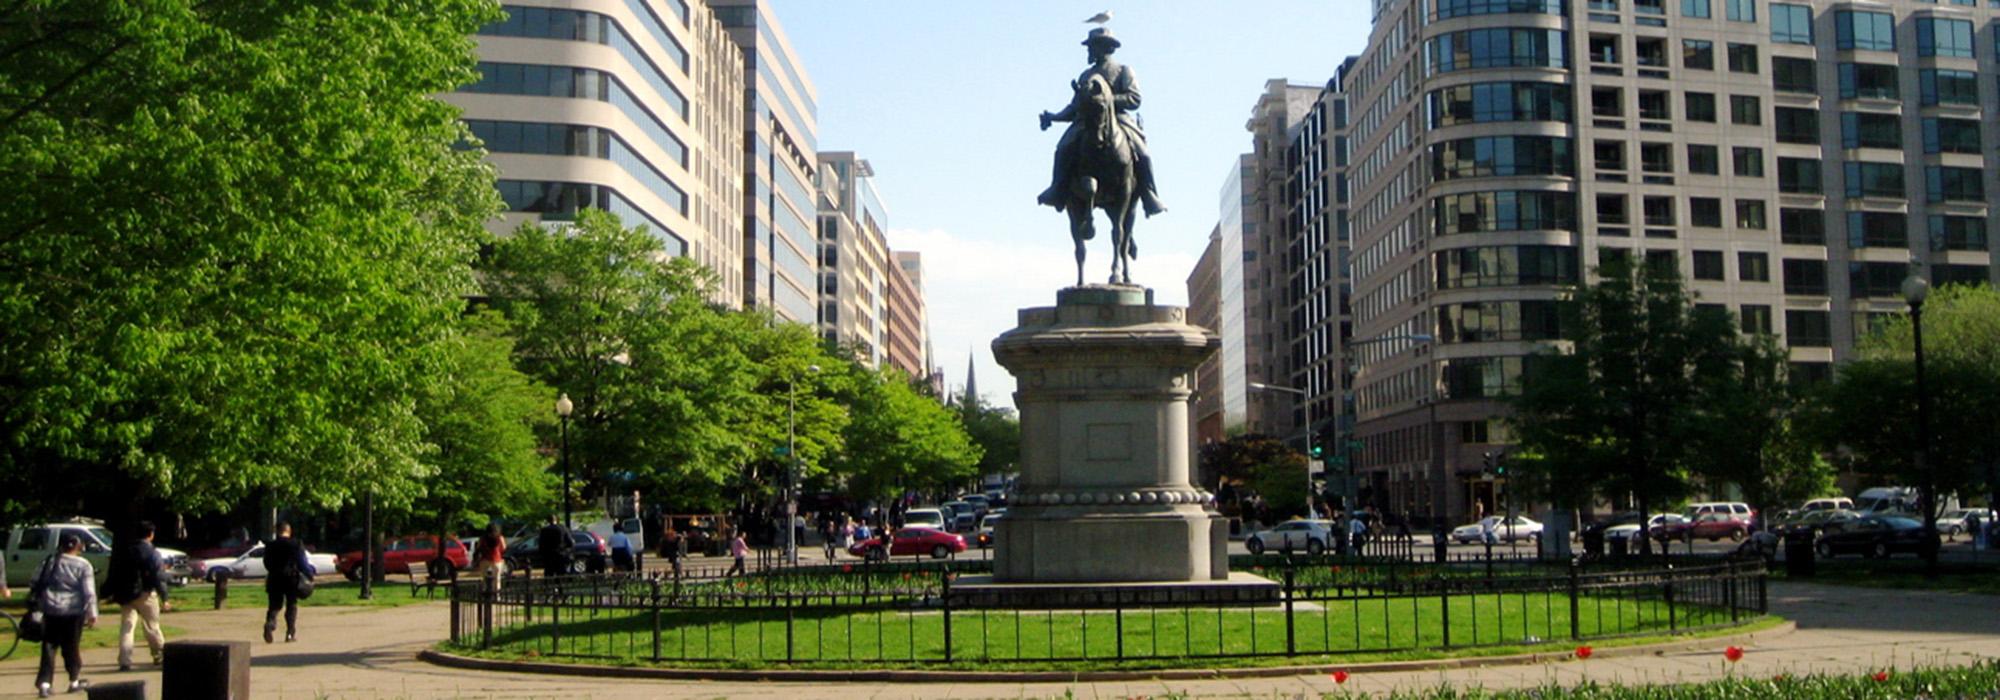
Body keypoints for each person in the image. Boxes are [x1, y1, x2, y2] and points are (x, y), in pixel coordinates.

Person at [1036, 28, 1166, 216]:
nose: (1089, 51)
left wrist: (1107, 100)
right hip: (1087, 121)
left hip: (1118, 119)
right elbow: (1075, 107)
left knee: (1143, 154)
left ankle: (1149, 194)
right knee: (1063, 147)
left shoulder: (1123, 70)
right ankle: (1057, 188)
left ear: (1105, 47)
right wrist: (1054, 117)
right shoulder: (1085, 75)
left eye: (1092, 47)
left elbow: (1134, 98)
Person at [31, 534, 96, 697]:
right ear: (77, 546)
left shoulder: (49, 561)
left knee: (49, 646)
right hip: (73, 610)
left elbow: (34, 581)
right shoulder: (83, 565)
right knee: (71, 646)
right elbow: (89, 591)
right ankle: (73, 680)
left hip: (50, 608)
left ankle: (45, 683)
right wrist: (92, 613)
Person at [107, 520, 170, 671]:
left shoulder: (126, 550)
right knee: (151, 626)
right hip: (146, 593)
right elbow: (158, 576)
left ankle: (124, 660)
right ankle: (159, 655)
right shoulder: (152, 552)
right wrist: (164, 597)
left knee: (127, 627)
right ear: (151, 534)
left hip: (126, 594)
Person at [261, 522, 314, 644]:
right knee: (291, 604)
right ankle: (290, 633)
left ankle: (270, 625)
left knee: (274, 605)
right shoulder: (295, 544)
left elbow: (266, 563)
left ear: (277, 531)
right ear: (289, 531)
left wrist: (274, 570)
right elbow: (302, 562)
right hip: (291, 578)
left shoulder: (270, 545)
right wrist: (309, 574)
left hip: (274, 578)